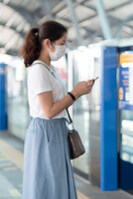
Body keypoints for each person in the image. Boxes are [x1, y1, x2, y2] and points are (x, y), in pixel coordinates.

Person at [20, 20, 95, 199]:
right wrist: (75, 93)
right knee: (48, 183)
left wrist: (78, 92)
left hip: (54, 131)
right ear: (48, 43)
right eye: (62, 43)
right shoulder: (39, 70)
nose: (64, 48)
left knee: (56, 181)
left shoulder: (49, 68)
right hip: (46, 132)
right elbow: (49, 111)